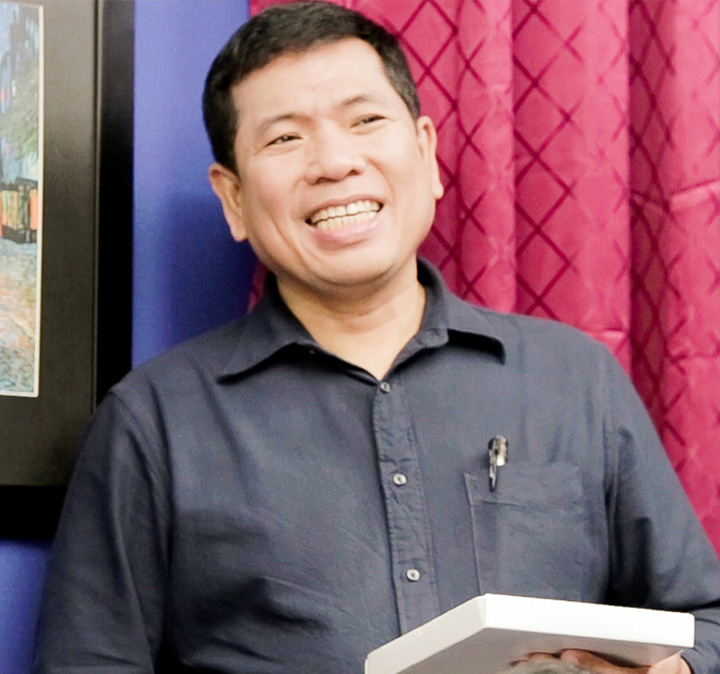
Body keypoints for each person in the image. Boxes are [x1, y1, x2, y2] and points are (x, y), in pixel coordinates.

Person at [34, 2, 720, 674]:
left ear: (426, 153)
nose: (336, 162)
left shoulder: (574, 379)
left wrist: (674, 671)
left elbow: (706, 622)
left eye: (365, 121)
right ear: (234, 198)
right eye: (285, 138)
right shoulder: (153, 423)